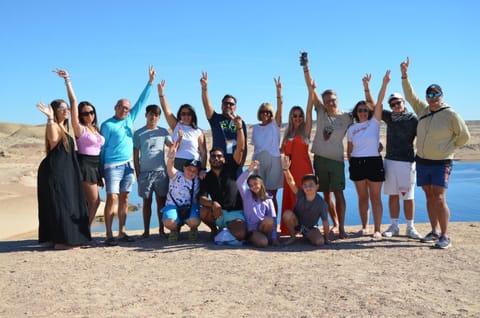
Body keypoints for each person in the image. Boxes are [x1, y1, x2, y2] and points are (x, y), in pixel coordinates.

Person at [400, 57, 470, 249]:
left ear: (441, 95)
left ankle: (446, 235)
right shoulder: (423, 110)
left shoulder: (451, 114)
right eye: (429, 94)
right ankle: (434, 231)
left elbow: (464, 136)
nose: (432, 97)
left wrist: (448, 148)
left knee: (439, 197)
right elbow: (410, 95)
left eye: (435, 93)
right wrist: (405, 75)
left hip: (441, 162)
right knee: (429, 195)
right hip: (422, 161)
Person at [100, 65, 156, 246]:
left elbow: (141, 102)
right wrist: (102, 169)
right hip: (112, 166)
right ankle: (109, 234)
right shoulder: (107, 125)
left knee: (124, 198)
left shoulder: (130, 119)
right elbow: (102, 148)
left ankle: (122, 232)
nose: (125, 110)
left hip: (128, 165)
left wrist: (149, 83)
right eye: (122, 107)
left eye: (127, 108)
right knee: (112, 197)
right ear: (116, 107)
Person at [302, 54, 353, 239]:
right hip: (321, 159)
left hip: (337, 160)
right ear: (323, 102)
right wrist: (306, 67)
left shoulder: (347, 117)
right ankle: (334, 224)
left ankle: (341, 228)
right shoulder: (321, 111)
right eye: (327, 100)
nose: (330, 102)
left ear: (337, 99)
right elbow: (310, 87)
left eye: (333, 99)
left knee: (339, 193)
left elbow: (366, 123)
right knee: (326, 194)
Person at [36, 99, 91, 249]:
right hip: (55, 172)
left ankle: (52, 238)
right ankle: (62, 241)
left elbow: (74, 102)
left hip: (63, 171)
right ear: (54, 111)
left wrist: (67, 81)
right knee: (61, 204)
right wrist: (49, 118)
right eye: (61, 108)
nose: (65, 110)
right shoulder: (54, 125)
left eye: (66, 107)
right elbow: (53, 140)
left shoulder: (63, 127)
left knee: (58, 203)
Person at [54, 69, 105, 225]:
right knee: (94, 201)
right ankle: (84, 231)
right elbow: (74, 102)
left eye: (91, 112)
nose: (89, 115)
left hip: (96, 166)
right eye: (85, 114)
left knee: (88, 202)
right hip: (85, 165)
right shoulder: (79, 128)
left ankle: (81, 230)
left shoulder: (95, 129)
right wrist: (68, 80)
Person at [373, 88, 421, 239]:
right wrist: (368, 88)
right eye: (392, 104)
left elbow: (424, 136)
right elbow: (374, 105)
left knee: (408, 196)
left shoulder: (413, 119)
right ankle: (394, 226)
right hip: (390, 161)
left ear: (404, 103)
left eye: (398, 103)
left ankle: (410, 227)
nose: (395, 106)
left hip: (407, 163)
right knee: (393, 195)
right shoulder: (389, 117)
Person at [346, 71, 389, 239]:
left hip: (373, 162)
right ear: (356, 112)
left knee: (375, 197)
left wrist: (381, 84)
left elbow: (378, 102)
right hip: (357, 163)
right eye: (360, 110)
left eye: (365, 110)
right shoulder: (351, 129)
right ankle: (364, 227)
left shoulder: (374, 123)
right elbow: (349, 150)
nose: (363, 112)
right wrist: (352, 162)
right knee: (362, 197)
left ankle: (377, 229)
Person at [198, 115, 247, 241]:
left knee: (241, 234)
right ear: (209, 160)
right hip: (218, 213)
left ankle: (226, 230)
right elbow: (201, 198)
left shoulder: (231, 168)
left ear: (224, 159)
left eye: (219, 156)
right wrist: (212, 203)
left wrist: (240, 128)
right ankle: (215, 229)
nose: (216, 158)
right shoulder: (207, 177)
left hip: (234, 213)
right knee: (203, 211)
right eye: (213, 156)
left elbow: (240, 148)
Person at [133, 105, 172, 239]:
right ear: (146, 115)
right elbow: (135, 155)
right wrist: (137, 174)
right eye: (150, 114)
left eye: (156, 115)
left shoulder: (163, 132)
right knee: (146, 202)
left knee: (161, 202)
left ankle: (162, 230)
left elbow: (172, 147)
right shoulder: (138, 133)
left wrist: (179, 139)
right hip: (145, 173)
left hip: (161, 173)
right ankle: (146, 231)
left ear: (159, 117)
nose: (153, 117)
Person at [279, 85, 314, 236]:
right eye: (295, 116)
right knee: (291, 198)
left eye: (300, 115)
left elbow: (308, 111)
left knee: (304, 199)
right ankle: (290, 229)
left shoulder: (305, 132)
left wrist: (311, 92)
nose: (298, 118)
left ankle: (305, 228)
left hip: (304, 172)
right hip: (290, 173)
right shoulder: (287, 135)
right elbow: (282, 152)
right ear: (291, 117)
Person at [200, 71, 247, 175]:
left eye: (231, 104)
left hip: (235, 163)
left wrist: (242, 164)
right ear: (222, 105)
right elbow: (206, 105)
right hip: (218, 162)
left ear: (235, 107)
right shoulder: (216, 119)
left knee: (234, 191)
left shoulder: (240, 123)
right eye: (226, 103)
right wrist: (204, 88)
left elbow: (244, 146)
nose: (228, 106)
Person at [250, 76, 284, 214]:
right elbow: (255, 146)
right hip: (258, 160)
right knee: (259, 192)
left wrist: (278, 92)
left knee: (271, 194)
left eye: (268, 112)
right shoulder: (255, 128)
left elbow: (280, 108)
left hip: (273, 160)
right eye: (263, 112)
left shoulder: (275, 125)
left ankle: (273, 222)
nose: (265, 114)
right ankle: (261, 220)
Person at [157, 80, 207, 171]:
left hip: (193, 165)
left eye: (189, 114)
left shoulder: (198, 131)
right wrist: (161, 94)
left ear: (193, 115)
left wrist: (203, 169)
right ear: (180, 115)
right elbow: (166, 111)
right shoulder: (176, 125)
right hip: (177, 164)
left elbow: (203, 152)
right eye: (183, 114)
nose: (186, 116)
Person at [281, 156, 329, 246]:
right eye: (305, 185)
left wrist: (326, 239)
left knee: (319, 242)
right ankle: (293, 237)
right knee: (287, 214)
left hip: (310, 227)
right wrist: (286, 169)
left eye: (311, 185)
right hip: (297, 223)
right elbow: (291, 182)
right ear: (302, 187)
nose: (308, 187)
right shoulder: (300, 194)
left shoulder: (321, 203)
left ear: (317, 187)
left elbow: (325, 222)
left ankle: (308, 235)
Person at [163, 143, 201, 242]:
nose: (191, 172)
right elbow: (169, 167)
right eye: (189, 169)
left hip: (189, 207)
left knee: (194, 222)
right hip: (173, 206)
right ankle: (175, 229)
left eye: (194, 170)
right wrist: (171, 157)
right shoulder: (176, 175)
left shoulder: (198, 179)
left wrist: (203, 172)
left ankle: (193, 228)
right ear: (184, 168)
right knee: (170, 222)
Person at [236, 160, 279, 247]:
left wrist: (274, 238)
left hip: (263, 228)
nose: (253, 187)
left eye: (255, 184)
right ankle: (253, 238)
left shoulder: (268, 199)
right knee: (263, 243)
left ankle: (269, 238)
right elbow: (239, 183)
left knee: (269, 220)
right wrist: (249, 170)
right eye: (250, 185)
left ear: (261, 184)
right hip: (252, 229)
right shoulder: (246, 195)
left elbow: (273, 219)